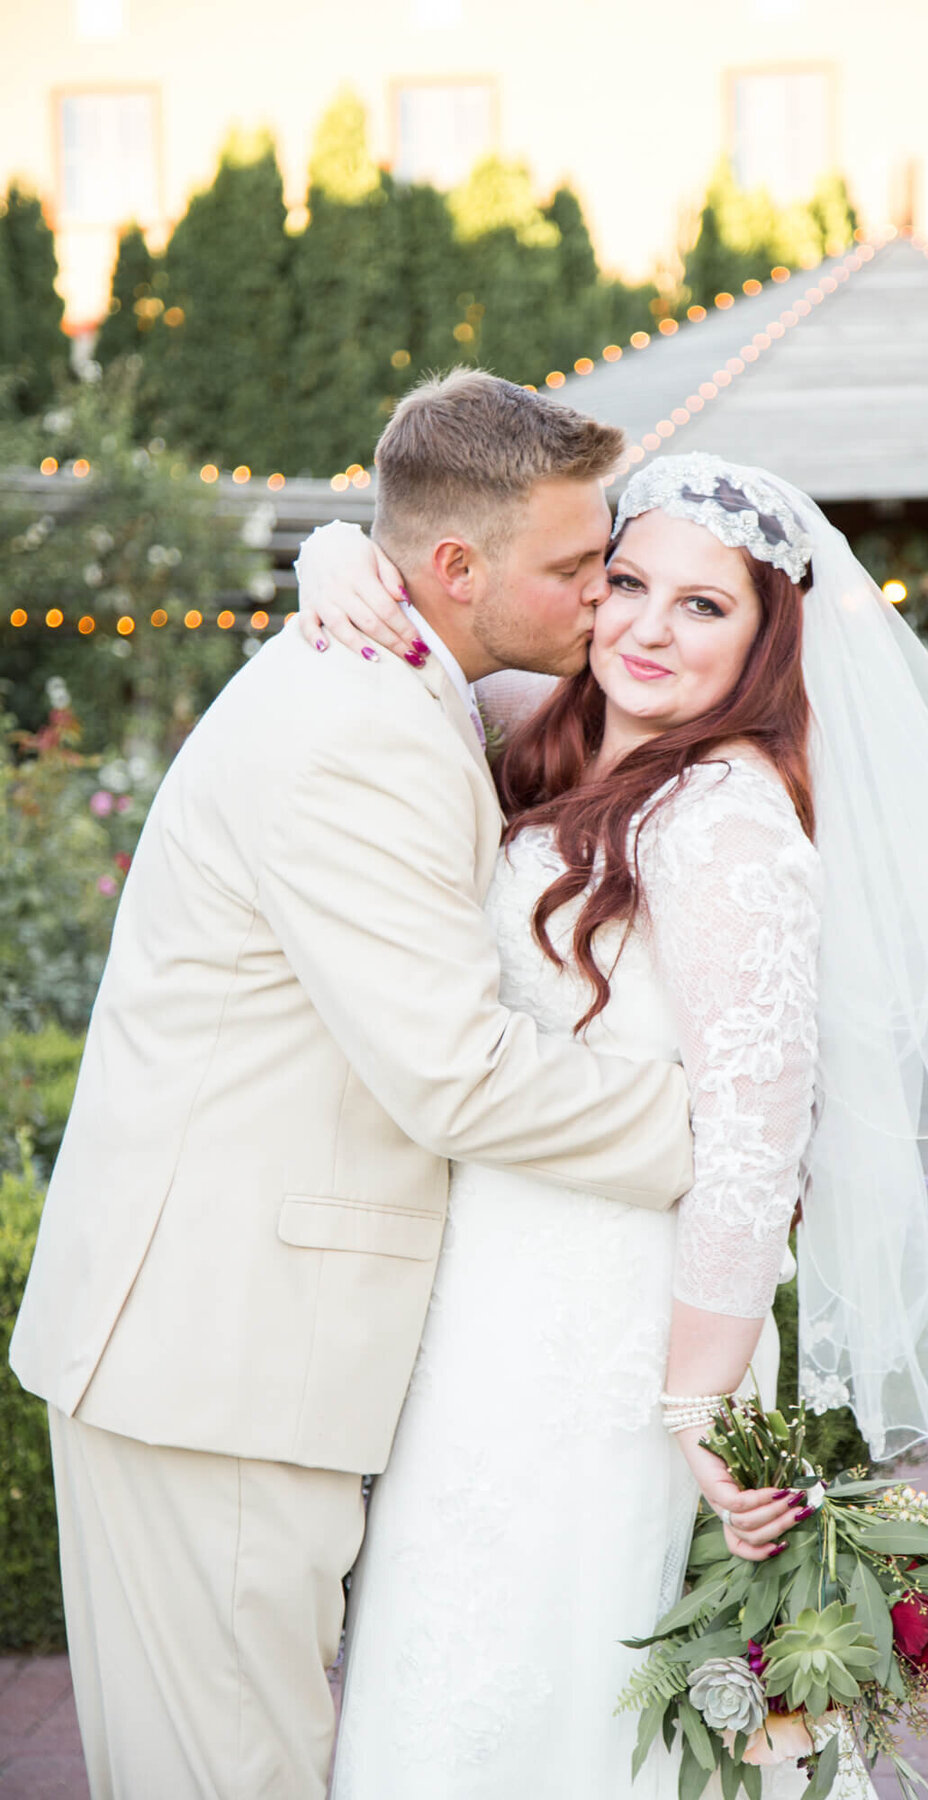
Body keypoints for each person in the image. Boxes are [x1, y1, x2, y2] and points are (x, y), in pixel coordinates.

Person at [294, 443, 928, 1796]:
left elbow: (759, 1141)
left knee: (567, 1674)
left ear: (765, 642)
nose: (647, 626)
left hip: (623, 1335)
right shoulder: (563, 730)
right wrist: (334, 557)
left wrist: (697, 1401)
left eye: (706, 607)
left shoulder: (726, 821)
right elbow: (431, 616)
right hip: (492, 1305)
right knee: (454, 1656)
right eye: (627, 582)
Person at [9, 372, 708, 1800]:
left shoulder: (397, 674)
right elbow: (454, 1076)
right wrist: (721, 1135)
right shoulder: (363, 728)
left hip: (236, 1349)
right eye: (581, 567)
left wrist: (345, 549)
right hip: (215, 1363)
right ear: (455, 571)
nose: (604, 596)